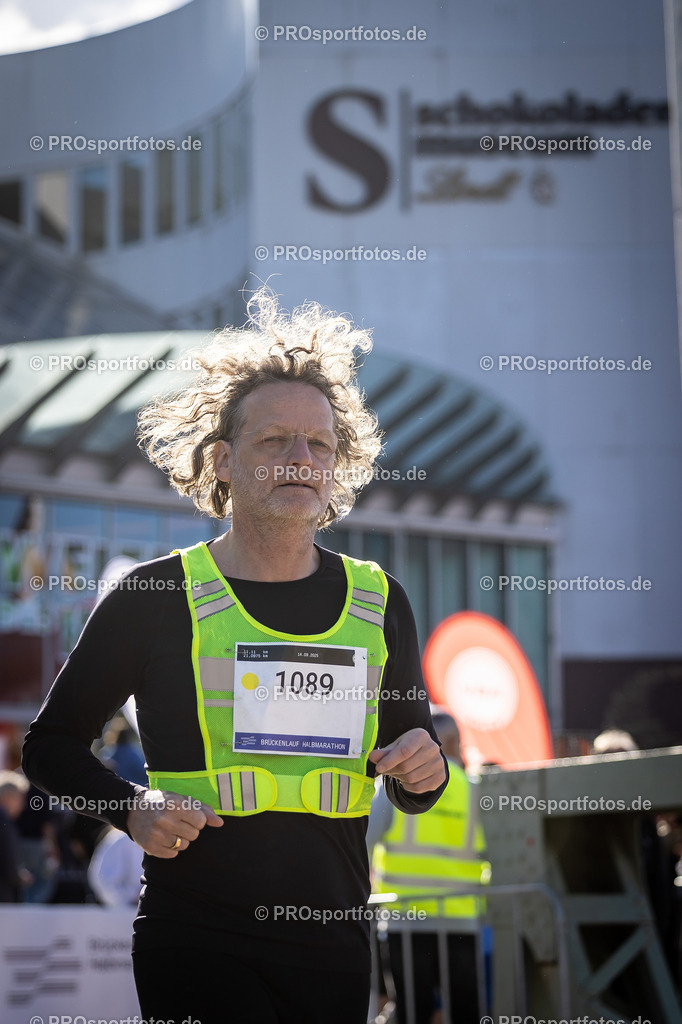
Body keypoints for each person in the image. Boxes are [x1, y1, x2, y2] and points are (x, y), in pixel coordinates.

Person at [23, 288, 448, 1024]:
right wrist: (131, 808)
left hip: (334, 946)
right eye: (274, 441)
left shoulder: (382, 601)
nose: (300, 459)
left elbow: (411, 772)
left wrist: (425, 768)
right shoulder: (154, 596)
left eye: (319, 444)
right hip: (196, 939)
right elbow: (49, 746)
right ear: (223, 460)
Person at [369, 712, 490, 1024]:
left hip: (406, 921)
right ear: (455, 742)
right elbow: (494, 855)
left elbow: (363, 844)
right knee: (467, 1012)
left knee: (413, 1011)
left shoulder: (393, 785)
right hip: (461, 921)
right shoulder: (475, 790)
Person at [0, 770, 30, 902]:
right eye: (20, 798)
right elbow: (8, 858)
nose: (23, 805)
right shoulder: (3, 820)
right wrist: (19, 877)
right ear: (8, 797)